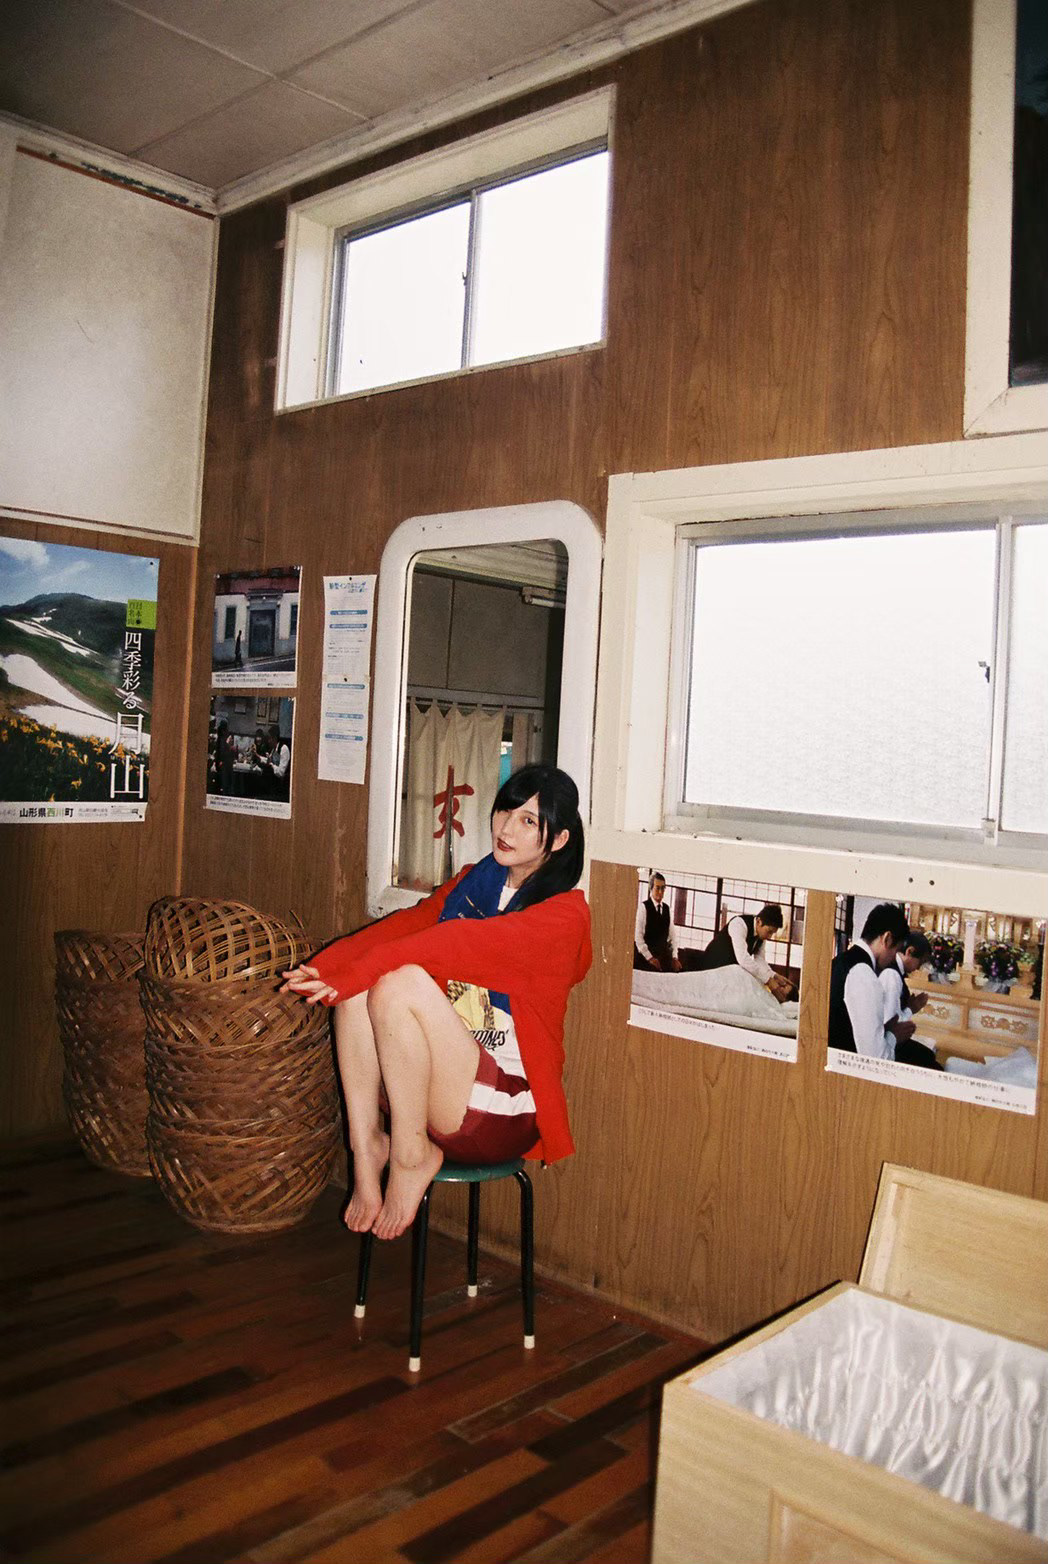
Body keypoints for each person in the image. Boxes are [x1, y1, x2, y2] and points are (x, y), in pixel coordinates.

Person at [281, 764, 591, 1241]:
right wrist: (328, 968)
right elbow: (412, 923)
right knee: (361, 991)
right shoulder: (478, 881)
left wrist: (356, 971)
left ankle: (411, 1156)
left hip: (504, 1106)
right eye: (507, 810)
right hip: (431, 1084)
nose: (507, 827)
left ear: (560, 839)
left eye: (529, 820)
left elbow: (453, 943)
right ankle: (367, 1147)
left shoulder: (564, 916)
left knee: (399, 982)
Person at [829, 903, 940, 1069]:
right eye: (896, 950)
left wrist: (886, 1030)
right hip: (846, 1068)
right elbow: (876, 1059)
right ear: (887, 939)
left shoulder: (840, 961)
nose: (894, 958)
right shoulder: (862, 972)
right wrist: (893, 1035)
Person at [698, 904, 793, 1001]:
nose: (770, 937)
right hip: (712, 967)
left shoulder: (761, 936)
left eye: (772, 933)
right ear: (759, 921)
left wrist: (774, 975)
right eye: (769, 932)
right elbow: (743, 959)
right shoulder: (739, 924)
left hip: (728, 972)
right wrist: (768, 980)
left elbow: (760, 960)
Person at [879, 928, 941, 1069]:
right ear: (909, 951)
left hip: (892, 1038)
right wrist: (911, 1009)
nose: (918, 968)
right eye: (920, 962)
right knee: (931, 1063)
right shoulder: (891, 975)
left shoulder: (895, 971)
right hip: (887, 1043)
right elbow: (891, 1022)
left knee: (929, 1056)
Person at [634, 872, 682, 972]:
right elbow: (638, 938)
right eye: (657, 888)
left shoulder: (667, 909)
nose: (660, 892)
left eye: (663, 888)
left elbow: (673, 937)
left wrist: (675, 957)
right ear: (651, 888)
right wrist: (650, 958)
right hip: (646, 959)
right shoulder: (643, 907)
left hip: (663, 959)